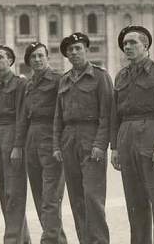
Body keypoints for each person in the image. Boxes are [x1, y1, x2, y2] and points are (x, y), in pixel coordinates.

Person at [110, 25, 154, 244]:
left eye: (133, 43)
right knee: (134, 200)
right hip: (126, 138)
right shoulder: (121, 76)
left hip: (150, 137)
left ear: (146, 46)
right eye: (125, 44)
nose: (127, 47)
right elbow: (115, 114)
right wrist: (114, 147)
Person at [53, 32, 113, 244]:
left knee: (93, 198)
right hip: (69, 141)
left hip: (91, 138)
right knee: (76, 198)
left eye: (78, 48)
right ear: (66, 55)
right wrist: (56, 145)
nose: (74, 53)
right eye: (70, 50)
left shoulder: (100, 76)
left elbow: (107, 114)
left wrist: (100, 144)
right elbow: (58, 117)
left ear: (86, 50)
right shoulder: (64, 80)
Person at [15, 42, 67, 244]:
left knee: (51, 198)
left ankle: (49, 241)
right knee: (39, 197)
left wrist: (57, 144)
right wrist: (19, 145)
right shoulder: (27, 84)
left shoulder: (58, 80)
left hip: (51, 140)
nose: (37, 60)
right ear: (27, 62)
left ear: (48, 57)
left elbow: (62, 113)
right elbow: (22, 117)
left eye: (40, 56)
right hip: (32, 142)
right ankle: (57, 241)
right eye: (33, 57)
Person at [0, 45, 31, 244]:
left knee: (14, 192)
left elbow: (22, 115)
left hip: (12, 136)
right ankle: (23, 240)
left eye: (0, 57)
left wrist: (18, 145)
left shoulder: (20, 84)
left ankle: (12, 240)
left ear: (10, 61)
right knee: (4, 193)